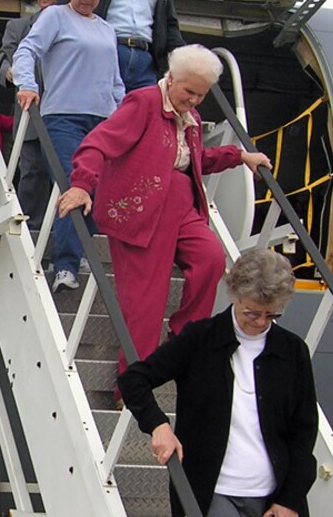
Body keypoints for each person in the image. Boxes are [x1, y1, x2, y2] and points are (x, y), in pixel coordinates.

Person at [118, 244, 316, 517]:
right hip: (212, 488)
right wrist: (158, 425)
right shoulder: (201, 338)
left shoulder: (292, 350)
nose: (261, 323)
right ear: (233, 295)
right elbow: (135, 379)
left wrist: (291, 499)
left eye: (271, 315)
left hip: (272, 495)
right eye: (252, 313)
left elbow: (303, 431)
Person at [55, 45, 271, 362]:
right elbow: (98, 142)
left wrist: (239, 156)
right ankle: (133, 382)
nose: (194, 101)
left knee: (211, 259)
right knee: (146, 301)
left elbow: (194, 160)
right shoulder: (143, 102)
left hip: (182, 207)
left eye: (201, 95)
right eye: (189, 92)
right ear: (171, 79)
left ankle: (182, 342)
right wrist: (82, 184)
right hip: (140, 209)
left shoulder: (191, 117)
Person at [12, 0, 124, 290]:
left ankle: (78, 254)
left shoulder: (107, 30)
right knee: (75, 182)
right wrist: (28, 85)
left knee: (95, 187)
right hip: (62, 116)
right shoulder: (55, 17)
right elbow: (26, 50)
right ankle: (65, 264)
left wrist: (124, 119)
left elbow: (116, 81)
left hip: (102, 119)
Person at [0, 0, 68, 225]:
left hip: (64, 113)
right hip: (30, 114)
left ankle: (59, 235)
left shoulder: (79, 25)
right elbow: (3, 60)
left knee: (63, 176)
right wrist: (10, 72)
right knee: (31, 174)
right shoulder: (18, 27)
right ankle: (28, 233)